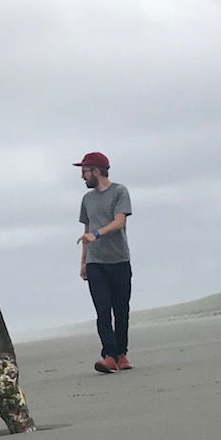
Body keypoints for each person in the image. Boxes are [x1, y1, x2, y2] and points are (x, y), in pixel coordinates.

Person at [75, 150, 133, 373]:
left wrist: (97, 235)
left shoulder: (120, 192)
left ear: (96, 171)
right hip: (95, 263)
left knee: (121, 310)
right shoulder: (87, 200)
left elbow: (119, 222)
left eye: (85, 172)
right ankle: (109, 355)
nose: (82, 177)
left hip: (119, 260)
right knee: (102, 311)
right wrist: (83, 261)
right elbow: (86, 230)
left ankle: (121, 354)